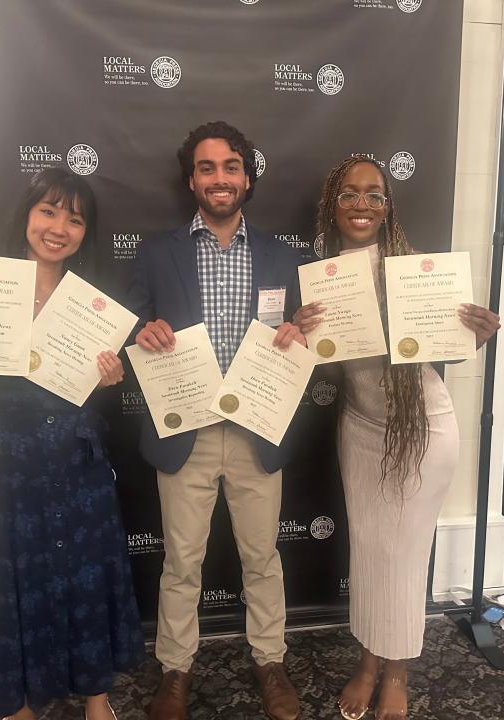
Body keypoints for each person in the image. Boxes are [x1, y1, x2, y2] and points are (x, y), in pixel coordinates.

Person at [0, 168, 143, 720]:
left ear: (86, 232)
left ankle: (96, 697)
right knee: (20, 581)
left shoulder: (93, 304)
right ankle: (19, 701)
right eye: (49, 211)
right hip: (16, 469)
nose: (59, 227)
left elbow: (99, 391)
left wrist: (110, 379)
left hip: (80, 466)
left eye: (74, 218)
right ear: (27, 217)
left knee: (87, 576)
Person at [294, 157, 501, 720]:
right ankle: (366, 664)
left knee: (406, 557)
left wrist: (474, 337)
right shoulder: (321, 276)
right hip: (360, 427)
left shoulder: (414, 269)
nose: (362, 203)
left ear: (389, 206)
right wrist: (308, 337)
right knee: (369, 554)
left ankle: (398, 673)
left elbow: (443, 351)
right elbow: (339, 372)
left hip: (425, 428)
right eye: (350, 193)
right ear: (331, 203)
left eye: (375, 194)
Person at [126, 121, 305, 720]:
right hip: (186, 432)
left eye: (230, 167)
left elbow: (307, 340)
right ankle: (175, 670)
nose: (219, 178)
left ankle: (270, 661)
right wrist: (140, 332)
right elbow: (128, 323)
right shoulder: (157, 253)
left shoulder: (283, 255)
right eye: (207, 168)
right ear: (192, 180)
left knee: (262, 558)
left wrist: (299, 333)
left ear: (247, 177)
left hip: (257, 429)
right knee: (182, 563)